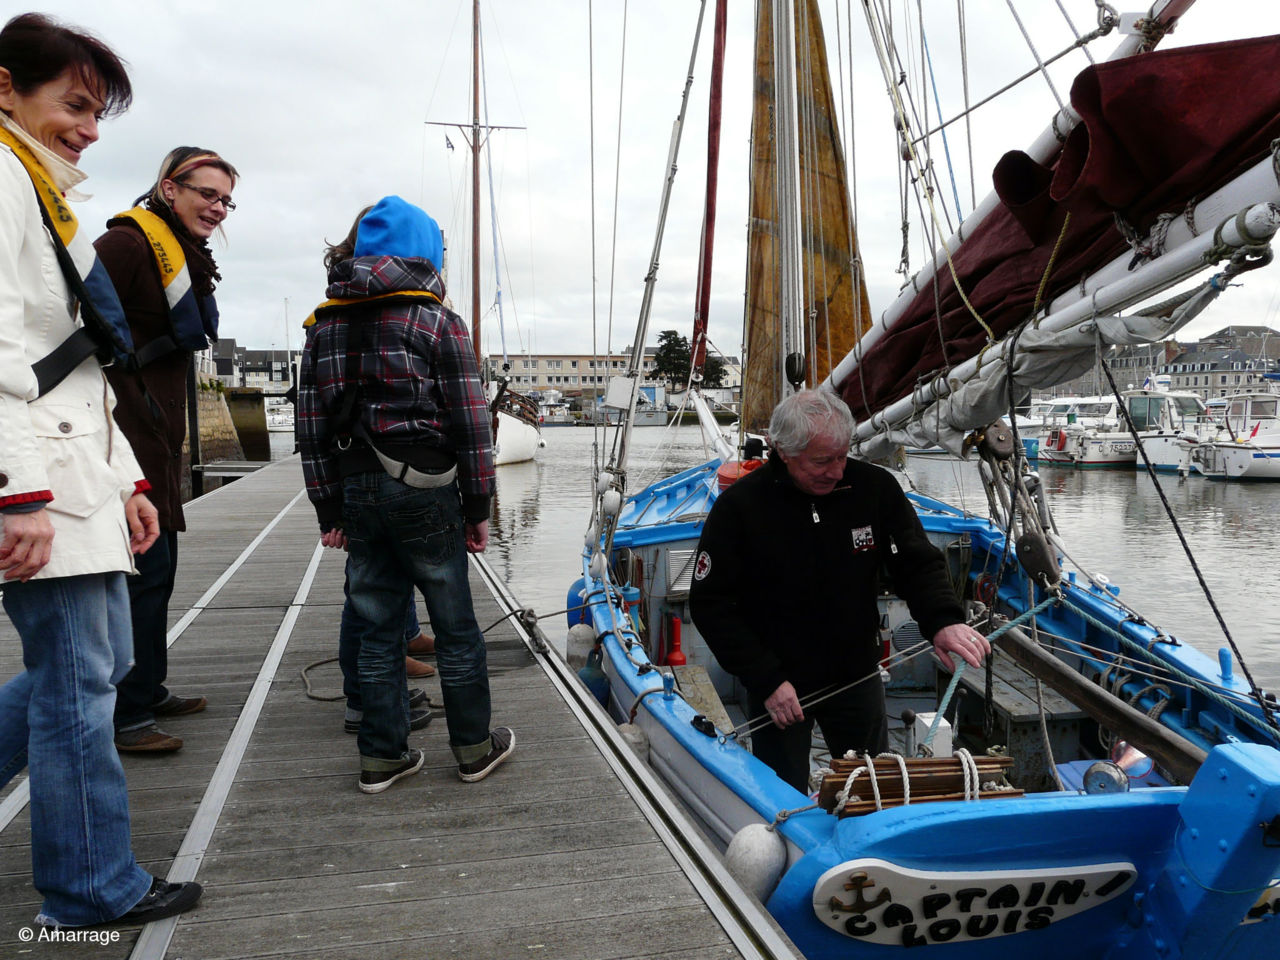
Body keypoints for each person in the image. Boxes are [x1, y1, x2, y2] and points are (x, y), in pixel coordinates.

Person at [0, 12, 201, 925]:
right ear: (7, 88)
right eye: (73, 105)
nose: (87, 128)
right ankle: (89, 888)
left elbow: (79, 364)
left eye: (96, 114)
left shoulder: (42, 189)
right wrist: (19, 496)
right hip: (41, 478)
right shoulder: (7, 183)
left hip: (81, 472)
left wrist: (129, 484)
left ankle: (86, 873)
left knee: (100, 663)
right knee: (79, 684)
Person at [299, 195, 514, 794]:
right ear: (425, 252)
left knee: (375, 629)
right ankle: (473, 749)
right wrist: (478, 505)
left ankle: (381, 756)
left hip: (357, 492)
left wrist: (327, 507)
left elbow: (310, 428)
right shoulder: (437, 321)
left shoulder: (323, 326)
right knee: (456, 628)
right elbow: (471, 423)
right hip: (427, 492)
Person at [688, 389, 991, 792]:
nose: (836, 471)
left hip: (856, 674)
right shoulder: (740, 508)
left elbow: (916, 563)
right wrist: (766, 680)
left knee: (871, 789)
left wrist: (943, 621)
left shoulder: (874, 489)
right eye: (821, 461)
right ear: (783, 451)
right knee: (781, 793)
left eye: (842, 457)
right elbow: (711, 604)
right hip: (779, 683)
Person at [95, 146, 239, 752]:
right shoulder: (127, 246)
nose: (218, 207)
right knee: (140, 576)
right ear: (169, 188)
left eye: (226, 200)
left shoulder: (180, 251)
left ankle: (147, 688)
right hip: (126, 438)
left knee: (160, 574)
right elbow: (74, 327)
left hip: (157, 439)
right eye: (207, 193)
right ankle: (125, 716)